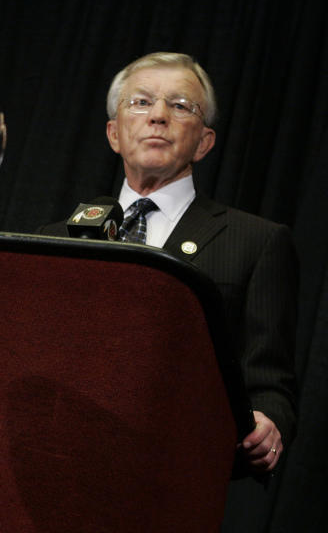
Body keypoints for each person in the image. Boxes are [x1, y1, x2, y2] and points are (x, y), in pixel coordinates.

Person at [40, 52, 297, 473]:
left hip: (170, 473)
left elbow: (270, 384)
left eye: (180, 106)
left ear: (204, 142)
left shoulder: (257, 242)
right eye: (140, 102)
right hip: (54, 459)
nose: (158, 116)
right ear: (114, 134)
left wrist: (269, 423)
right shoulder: (53, 239)